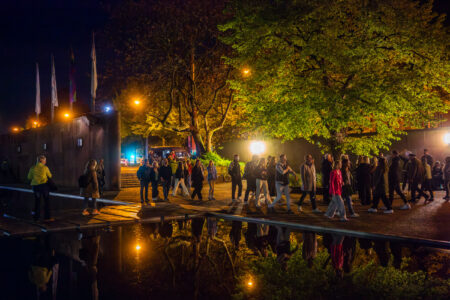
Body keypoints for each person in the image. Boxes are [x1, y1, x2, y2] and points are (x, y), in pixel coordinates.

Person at [27, 155, 53, 222]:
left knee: (37, 201)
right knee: (46, 201)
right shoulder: (45, 168)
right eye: (45, 160)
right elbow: (50, 175)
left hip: (36, 187)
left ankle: (36, 217)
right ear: (42, 161)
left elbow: (29, 177)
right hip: (44, 187)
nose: (45, 162)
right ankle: (47, 217)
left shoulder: (32, 168)